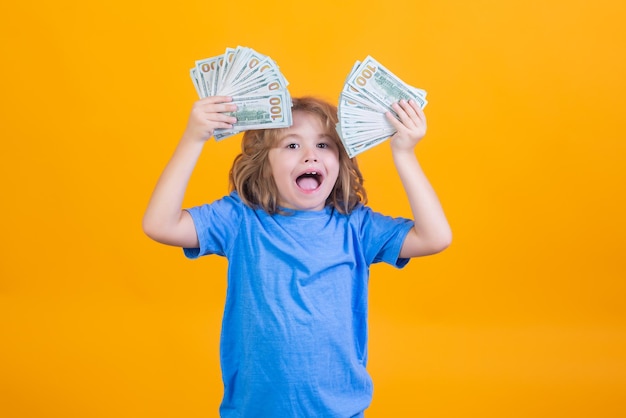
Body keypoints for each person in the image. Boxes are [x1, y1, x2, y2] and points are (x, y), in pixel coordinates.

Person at [143, 95, 452, 417]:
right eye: (292, 145)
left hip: (340, 411)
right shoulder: (240, 219)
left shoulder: (356, 226)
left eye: (323, 145)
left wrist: (404, 154)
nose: (309, 156)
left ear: (341, 160)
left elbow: (435, 237)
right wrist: (194, 138)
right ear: (265, 164)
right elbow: (159, 225)